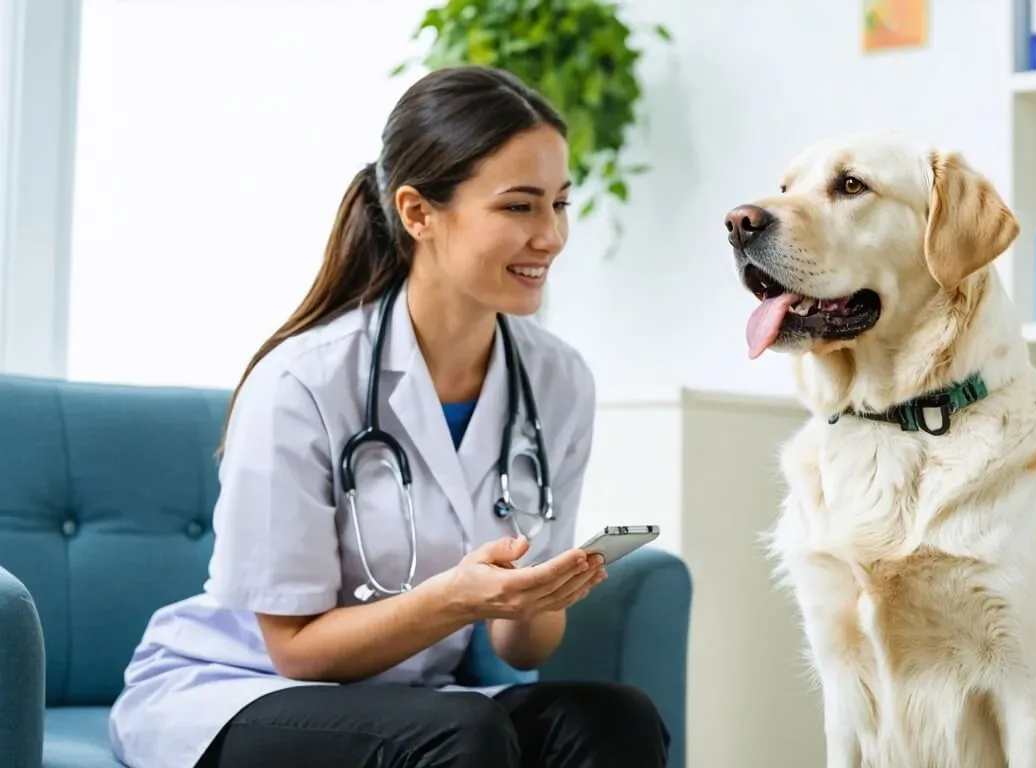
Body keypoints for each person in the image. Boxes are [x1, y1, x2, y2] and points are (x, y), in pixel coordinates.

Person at [107, 65, 669, 768]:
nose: (551, 236)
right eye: (519, 207)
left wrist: (534, 601)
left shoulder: (557, 381)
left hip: (417, 703)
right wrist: (456, 600)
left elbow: (522, 650)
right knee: (462, 731)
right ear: (417, 212)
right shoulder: (303, 381)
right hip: (243, 690)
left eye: (559, 204)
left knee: (613, 718)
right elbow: (296, 649)